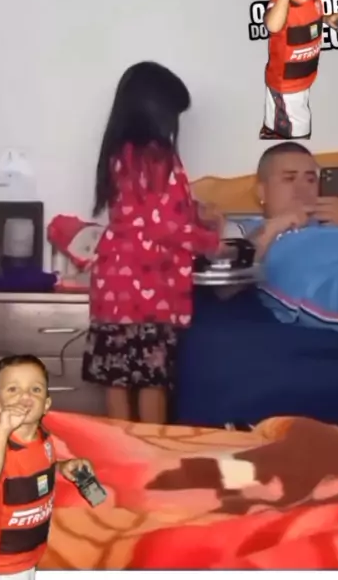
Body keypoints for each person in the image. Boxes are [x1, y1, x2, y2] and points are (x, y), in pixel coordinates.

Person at [83, 61, 224, 425]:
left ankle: (119, 449)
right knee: (152, 377)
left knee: (116, 375)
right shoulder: (158, 157)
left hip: (114, 285)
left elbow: (144, 214)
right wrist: (211, 242)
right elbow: (164, 226)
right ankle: (152, 450)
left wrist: (194, 211)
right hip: (149, 288)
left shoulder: (119, 154)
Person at [0, 355, 93, 580]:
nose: (25, 396)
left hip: (29, 553)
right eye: (13, 389)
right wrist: (3, 429)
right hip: (1, 561)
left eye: (35, 389)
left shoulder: (44, 439)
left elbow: (37, 470)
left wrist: (63, 467)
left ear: (46, 405)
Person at [260, 0, 338, 140]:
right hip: (285, 85)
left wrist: (328, 19)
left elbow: (308, 20)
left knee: (283, 128)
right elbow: (273, 25)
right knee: (297, 135)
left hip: (303, 78)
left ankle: (274, 136)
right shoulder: (280, 4)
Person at [250, 141, 338, 260]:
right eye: (289, 179)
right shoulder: (249, 230)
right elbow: (241, 258)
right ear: (261, 192)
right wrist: (272, 230)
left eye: (310, 180)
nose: (303, 187)